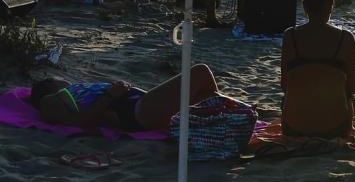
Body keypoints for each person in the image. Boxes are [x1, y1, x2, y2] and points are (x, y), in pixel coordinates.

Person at [29, 64, 219, 131]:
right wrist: (110, 94)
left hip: (138, 104)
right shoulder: (49, 100)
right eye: (57, 78)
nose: (63, 80)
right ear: (49, 85)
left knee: (205, 93)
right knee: (200, 72)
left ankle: (239, 113)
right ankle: (234, 114)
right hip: (134, 111)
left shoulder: (73, 92)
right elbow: (76, 121)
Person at [281, 0, 355, 137]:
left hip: (294, 126)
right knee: (349, 97)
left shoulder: (290, 37)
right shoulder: (344, 39)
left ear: (304, 7)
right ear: (331, 6)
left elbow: (285, 85)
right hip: (335, 128)